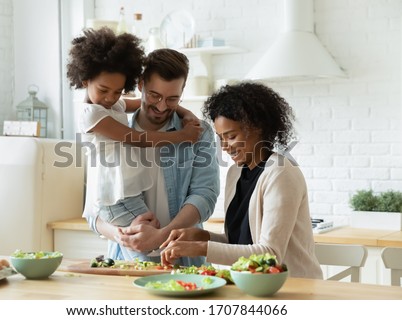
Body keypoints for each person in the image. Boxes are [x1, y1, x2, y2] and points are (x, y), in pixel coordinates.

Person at [159, 82, 323, 279]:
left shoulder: (281, 173)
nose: (225, 147)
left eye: (231, 136)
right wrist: (200, 236)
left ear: (258, 128)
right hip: (252, 287)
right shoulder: (236, 172)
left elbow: (270, 254)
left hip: (293, 289)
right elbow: (239, 242)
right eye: (221, 138)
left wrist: (201, 248)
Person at [67, 27, 202, 260]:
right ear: (85, 79)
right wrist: (182, 137)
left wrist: (185, 112)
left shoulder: (113, 105)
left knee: (151, 252)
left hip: (128, 194)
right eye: (103, 90)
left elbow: (138, 103)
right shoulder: (91, 114)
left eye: (118, 91)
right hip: (115, 198)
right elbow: (136, 139)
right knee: (148, 254)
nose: (111, 97)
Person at [85, 48, 220, 267]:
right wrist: (121, 235)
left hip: (185, 261)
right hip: (125, 261)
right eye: (154, 95)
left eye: (172, 99)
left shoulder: (198, 133)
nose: (161, 106)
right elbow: (93, 209)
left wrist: (162, 235)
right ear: (140, 85)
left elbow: (205, 195)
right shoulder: (109, 130)